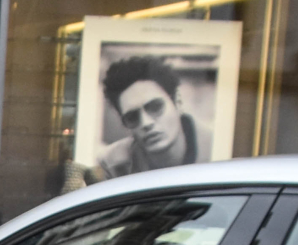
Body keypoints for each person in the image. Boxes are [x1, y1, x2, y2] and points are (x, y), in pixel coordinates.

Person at [71, 55, 202, 189]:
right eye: (132, 117)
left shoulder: (216, 150)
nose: (146, 123)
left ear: (177, 102)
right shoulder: (113, 164)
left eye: (155, 107)